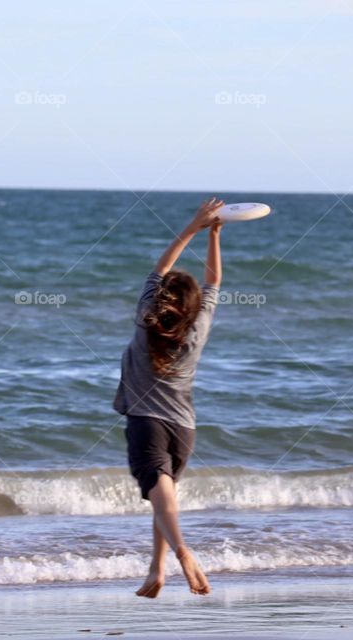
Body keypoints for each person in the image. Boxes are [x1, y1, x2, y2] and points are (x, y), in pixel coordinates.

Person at [113, 196, 225, 598]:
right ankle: (156, 569)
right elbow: (213, 284)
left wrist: (192, 227)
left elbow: (159, 270)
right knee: (164, 502)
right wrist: (214, 235)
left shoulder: (146, 321)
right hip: (184, 428)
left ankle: (182, 552)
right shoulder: (198, 331)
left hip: (146, 423)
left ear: (161, 300)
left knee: (163, 501)